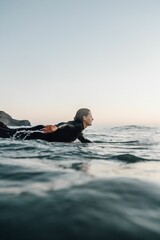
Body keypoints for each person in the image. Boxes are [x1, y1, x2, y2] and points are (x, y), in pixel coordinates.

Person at [0, 108, 93, 143]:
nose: (92, 118)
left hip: (41, 131)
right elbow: (66, 125)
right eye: (91, 116)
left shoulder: (78, 130)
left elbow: (84, 140)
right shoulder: (77, 126)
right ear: (84, 118)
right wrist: (56, 126)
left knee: (8, 131)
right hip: (40, 133)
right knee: (6, 134)